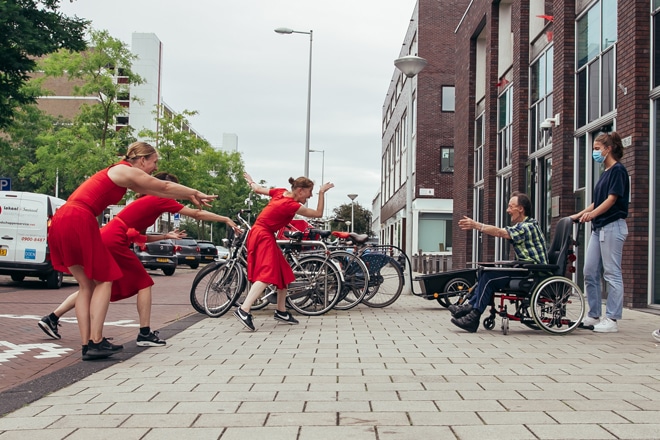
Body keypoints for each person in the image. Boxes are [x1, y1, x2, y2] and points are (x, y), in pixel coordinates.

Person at [48, 142, 216, 360]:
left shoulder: (119, 174)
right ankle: (96, 341)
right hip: (80, 217)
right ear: (142, 160)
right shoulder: (123, 170)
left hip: (62, 217)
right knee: (104, 280)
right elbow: (163, 187)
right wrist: (194, 192)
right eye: (154, 162)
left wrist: (187, 194)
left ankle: (87, 346)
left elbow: (156, 189)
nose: (155, 168)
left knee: (86, 285)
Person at [233, 172, 334, 331]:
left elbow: (258, 189)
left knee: (283, 272)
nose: (310, 196)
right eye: (309, 193)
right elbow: (318, 214)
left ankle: (281, 311)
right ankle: (244, 309)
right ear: (300, 190)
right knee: (268, 272)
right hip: (263, 235)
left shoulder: (280, 192)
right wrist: (322, 193)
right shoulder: (291, 205)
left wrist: (251, 181)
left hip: (262, 233)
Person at [450, 192, 548, 333]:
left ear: (520, 208)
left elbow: (501, 233)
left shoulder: (528, 227)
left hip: (533, 272)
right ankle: (469, 307)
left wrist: (477, 225)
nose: (508, 210)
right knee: (485, 271)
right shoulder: (524, 225)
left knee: (490, 278)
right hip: (524, 268)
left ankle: (473, 316)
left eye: (510, 206)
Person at [570, 132, 629, 333]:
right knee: (589, 270)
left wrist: (593, 214)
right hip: (599, 228)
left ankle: (612, 319)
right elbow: (598, 200)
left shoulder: (618, 171)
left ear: (608, 148)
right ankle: (594, 315)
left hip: (613, 226)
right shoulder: (605, 173)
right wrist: (580, 214)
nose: (594, 152)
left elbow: (612, 199)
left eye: (597, 149)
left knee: (612, 273)